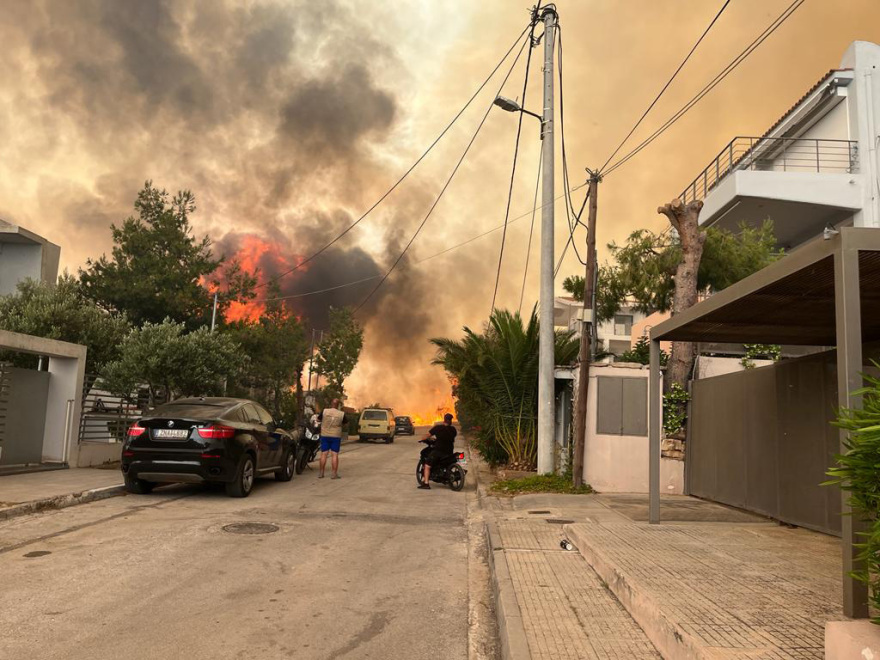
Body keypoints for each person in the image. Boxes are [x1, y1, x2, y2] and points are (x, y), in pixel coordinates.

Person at [419, 413, 457, 490]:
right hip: (449, 452)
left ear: (444, 420)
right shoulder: (453, 429)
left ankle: (426, 483)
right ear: (451, 421)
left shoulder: (438, 428)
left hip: (438, 452)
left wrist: (422, 439)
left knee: (427, 466)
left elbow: (428, 435)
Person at [318, 398, 345, 479]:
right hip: (335, 436)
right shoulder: (341, 414)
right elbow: (345, 423)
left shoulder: (324, 411)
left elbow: (318, 419)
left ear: (331, 404)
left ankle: (321, 473)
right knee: (334, 454)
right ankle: (334, 474)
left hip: (325, 435)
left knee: (324, 454)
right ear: (338, 405)